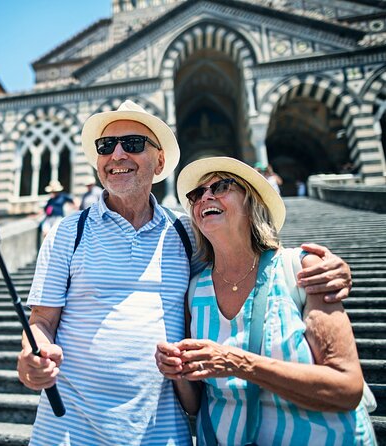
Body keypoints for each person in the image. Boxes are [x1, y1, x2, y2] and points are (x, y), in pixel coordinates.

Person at [17, 101, 353, 445]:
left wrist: (328, 268)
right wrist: (31, 355)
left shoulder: (186, 233)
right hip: (67, 431)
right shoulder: (67, 232)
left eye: (132, 144)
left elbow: (245, 259)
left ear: (159, 161)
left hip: (161, 433)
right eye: (106, 146)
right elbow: (41, 322)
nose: (116, 154)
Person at [156, 157, 375, 445]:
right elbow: (195, 404)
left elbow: (346, 387)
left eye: (221, 186)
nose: (205, 197)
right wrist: (179, 372)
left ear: (251, 201)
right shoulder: (196, 291)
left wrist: (236, 362)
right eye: (196, 194)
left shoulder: (302, 270)